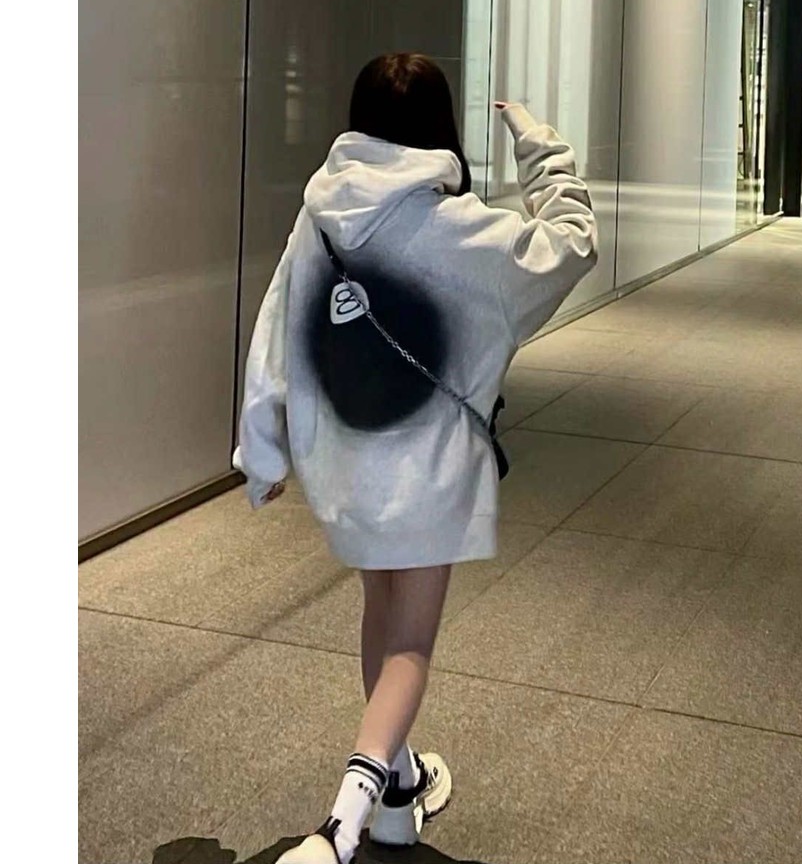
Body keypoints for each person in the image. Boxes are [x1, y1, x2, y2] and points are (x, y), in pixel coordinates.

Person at [232, 53, 597, 864]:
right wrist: (540, 146)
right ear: (439, 125)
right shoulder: (458, 227)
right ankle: (341, 828)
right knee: (410, 647)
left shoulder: (319, 214)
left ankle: (398, 796)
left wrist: (262, 449)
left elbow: (274, 329)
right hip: (427, 471)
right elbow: (571, 243)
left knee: (380, 612)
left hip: (344, 466)